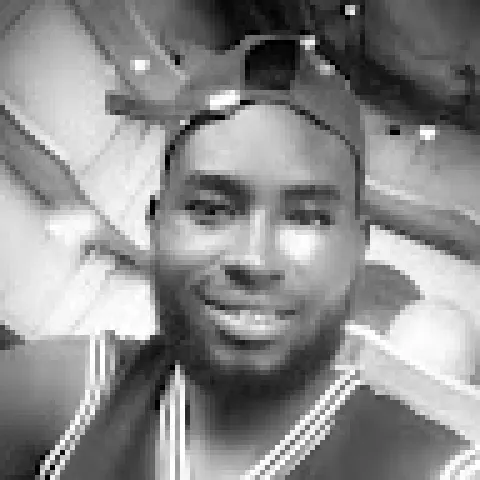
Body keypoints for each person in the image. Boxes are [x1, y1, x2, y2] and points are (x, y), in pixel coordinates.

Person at [1, 36, 476, 479]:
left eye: (307, 217)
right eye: (210, 210)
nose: (255, 258)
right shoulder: (71, 396)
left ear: (358, 248)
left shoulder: (432, 467)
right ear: (155, 224)